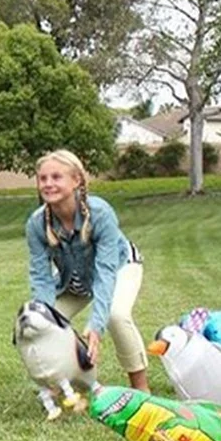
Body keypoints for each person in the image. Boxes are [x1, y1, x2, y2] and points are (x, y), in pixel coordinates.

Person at [27, 149, 150, 391]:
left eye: (56, 177)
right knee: (44, 324)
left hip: (120, 266)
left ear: (77, 180)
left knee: (116, 315)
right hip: (74, 279)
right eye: (43, 178)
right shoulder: (36, 224)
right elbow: (40, 277)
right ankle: (63, 386)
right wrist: (45, 316)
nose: (48, 184)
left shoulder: (100, 213)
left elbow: (105, 271)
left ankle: (141, 388)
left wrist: (96, 325)